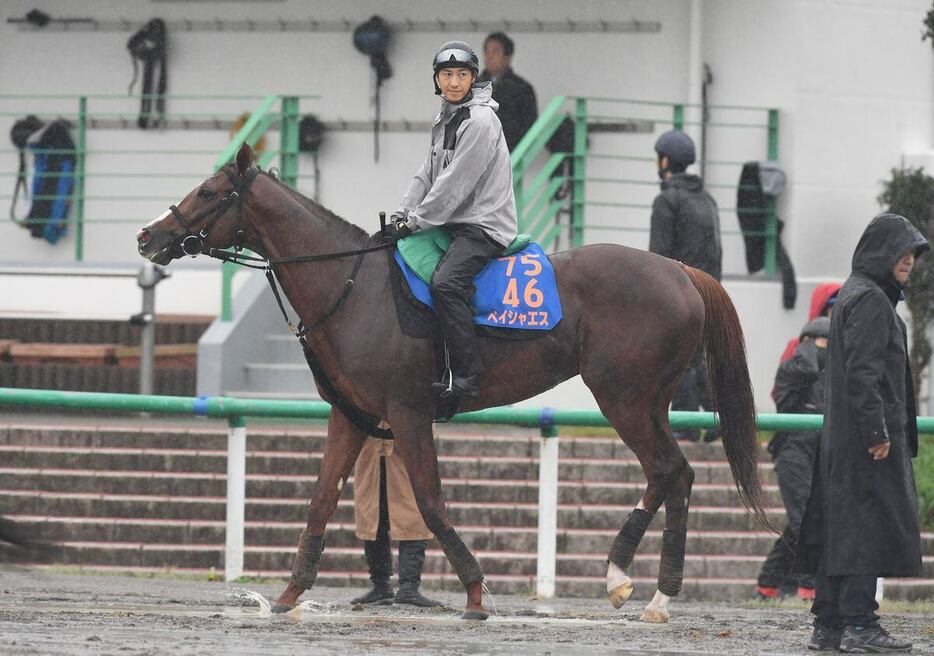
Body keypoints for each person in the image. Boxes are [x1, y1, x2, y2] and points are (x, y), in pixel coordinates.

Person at [796, 213, 926, 653]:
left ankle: (829, 626)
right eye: (902, 251)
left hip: (844, 440)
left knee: (842, 530)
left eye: (913, 253)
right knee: (864, 531)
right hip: (865, 439)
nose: (908, 260)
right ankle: (860, 624)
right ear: (881, 252)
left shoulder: (855, 293)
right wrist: (877, 431)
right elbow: (864, 373)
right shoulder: (870, 299)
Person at [387, 40, 518, 399]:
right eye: (447, 74)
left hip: (483, 227)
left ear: (473, 78)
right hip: (451, 223)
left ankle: (467, 377)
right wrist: (400, 216)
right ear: (437, 79)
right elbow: (427, 173)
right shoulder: (446, 114)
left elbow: (453, 185)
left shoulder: (480, 121)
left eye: (462, 75)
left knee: (445, 283)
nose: (454, 82)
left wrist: (414, 222)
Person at [649, 130, 722, 441]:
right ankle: (720, 421)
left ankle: (685, 427)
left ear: (665, 161)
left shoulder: (667, 200)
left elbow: (658, 257)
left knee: (680, 358)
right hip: (709, 290)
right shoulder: (708, 201)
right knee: (702, 356)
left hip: (678, 291)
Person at [755, 316, 829, 601]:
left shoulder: (832, 374)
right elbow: (804, 369)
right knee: (805, 521)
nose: (827, 351)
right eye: (821, 344)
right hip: (793, 452)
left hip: (821, 453)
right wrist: (811, 348)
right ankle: (810, 588)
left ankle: (767, 585)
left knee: (801, 523)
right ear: (806, 344)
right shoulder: (793, 368)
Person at [351, 437, 443, 608]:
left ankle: (408, 587)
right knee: (372, 517)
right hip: (371, 448)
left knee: (412, 517)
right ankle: (381, 586)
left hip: (407, 448)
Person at [476, 32, 538, 152]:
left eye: (495, 52)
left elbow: (529, 125)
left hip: (510, 153)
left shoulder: (522, 88)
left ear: (507, 57)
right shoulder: (473, 87)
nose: (489, 57)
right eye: (487, 52)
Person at [777, 283, 841, 364]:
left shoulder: (851, 346)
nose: (839, 319)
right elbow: (786, 375)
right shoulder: (796, 347)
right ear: (822, 314)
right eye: (833, 313)